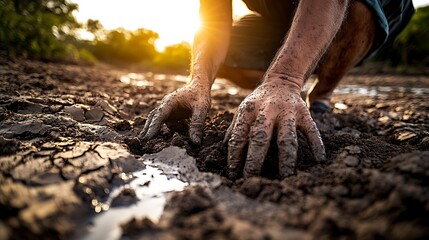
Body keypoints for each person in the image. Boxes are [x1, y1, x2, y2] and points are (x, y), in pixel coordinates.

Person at [139, 0, 414, 179]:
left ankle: (321, 94)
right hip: (283, 15)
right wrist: (198, 82)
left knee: (358, 7)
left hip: (369, 7)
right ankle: (300, 56)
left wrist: (285, 79)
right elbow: (212, 22)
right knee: (227, 55)